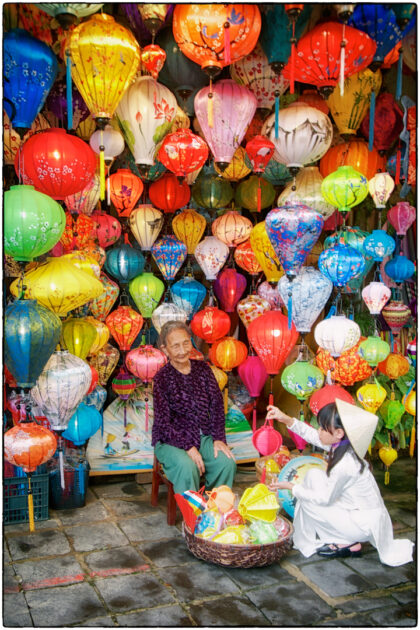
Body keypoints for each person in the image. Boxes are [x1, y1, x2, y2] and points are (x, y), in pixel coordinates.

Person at [266, 399, 414, 567]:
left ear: (339, 433)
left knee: (308, 500)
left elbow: (324, 499)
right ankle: (345, 537)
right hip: (357, 513)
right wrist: (286, 419)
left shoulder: (345, 463)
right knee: (314, 474)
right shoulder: (343, 447)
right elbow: (314, 436)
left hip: (362, 524)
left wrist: (292, 487)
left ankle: (346, 541)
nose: (319, 431)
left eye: (323, 428)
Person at [151, 321, 237, 494]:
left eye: (185, 343)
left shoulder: (203, 370)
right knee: (187, 466)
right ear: (165, 349)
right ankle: (192, 516)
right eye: (175, 346)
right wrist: (188, 446)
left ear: (191, 341)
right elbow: (163, 424)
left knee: (226, 462)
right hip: (171, 440)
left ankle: (214, 510)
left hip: (202, 436)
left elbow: (217, 407)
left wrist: (219, 438)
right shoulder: (162, 378)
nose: (182, 350)